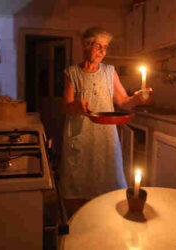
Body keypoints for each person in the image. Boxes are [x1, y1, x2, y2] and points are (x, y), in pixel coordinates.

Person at [59, 27, 152, 216]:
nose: (103, 51)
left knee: (108, 181)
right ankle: (76, 225)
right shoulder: (72, 72)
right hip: (80, 136)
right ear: (86, 46)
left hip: (105, 137)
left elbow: (124, 102)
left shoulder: (110, 72)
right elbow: (66, 106)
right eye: (98, 46)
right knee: (76, 183)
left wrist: (137, 98)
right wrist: (76, 106)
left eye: (105, 47)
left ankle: (105, 221)